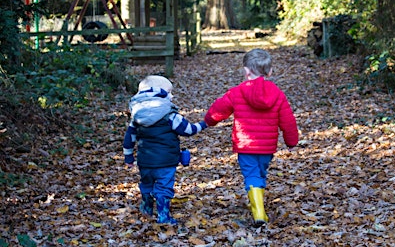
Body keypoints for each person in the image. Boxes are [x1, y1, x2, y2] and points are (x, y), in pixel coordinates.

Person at [203, 49, 299, 226]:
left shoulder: (236, 92)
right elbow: (288, 120)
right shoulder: (277, 94)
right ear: (269, 72)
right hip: (267, 146)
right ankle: (259, 206)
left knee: (251, 175)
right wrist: (291, 141)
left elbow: (219, 109)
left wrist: (208, 121)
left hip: (246, 146)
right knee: (260, 173)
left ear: (246, 71)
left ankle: (259, 213)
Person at [123, 75, 208, 225]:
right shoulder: (170, 115)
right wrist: (203, 124)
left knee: (146, 183)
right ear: (160, 93)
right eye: (169, 92)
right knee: (164, 186)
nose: (172, 95)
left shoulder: (136, 116)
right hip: (166, 161)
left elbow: (129, 139)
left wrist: (129, 157)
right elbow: (188, 130)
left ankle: (147, 207)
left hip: (144, 161)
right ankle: (163, 215)